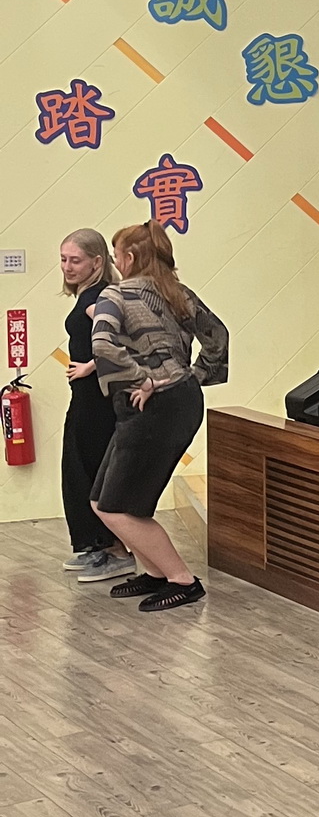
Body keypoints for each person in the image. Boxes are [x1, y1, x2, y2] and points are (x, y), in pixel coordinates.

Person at [89, 223, 229, 613]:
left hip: (154, 408)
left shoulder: (114, 295)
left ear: (129, 258)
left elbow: (102, 344)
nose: (116, 262)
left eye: (116, 255)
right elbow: (218, 336)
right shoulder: (178, 293)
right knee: (103, 500)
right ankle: (154, 573)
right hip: (174, 403)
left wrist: (146, 379)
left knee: (114, 506)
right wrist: (191, 377)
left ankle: (182, 580)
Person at [57, 229, 134, 584]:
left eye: (75, 260)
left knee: (90, 469)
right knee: (79, 467)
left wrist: (91, 365)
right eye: (63, 259)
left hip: (98, 401)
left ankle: (115, 551)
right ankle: (98, 546)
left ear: (97, 262)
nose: (67, 267)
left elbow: (124, 339)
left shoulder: (98, 296)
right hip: (87, 398)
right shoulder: (89, 294)